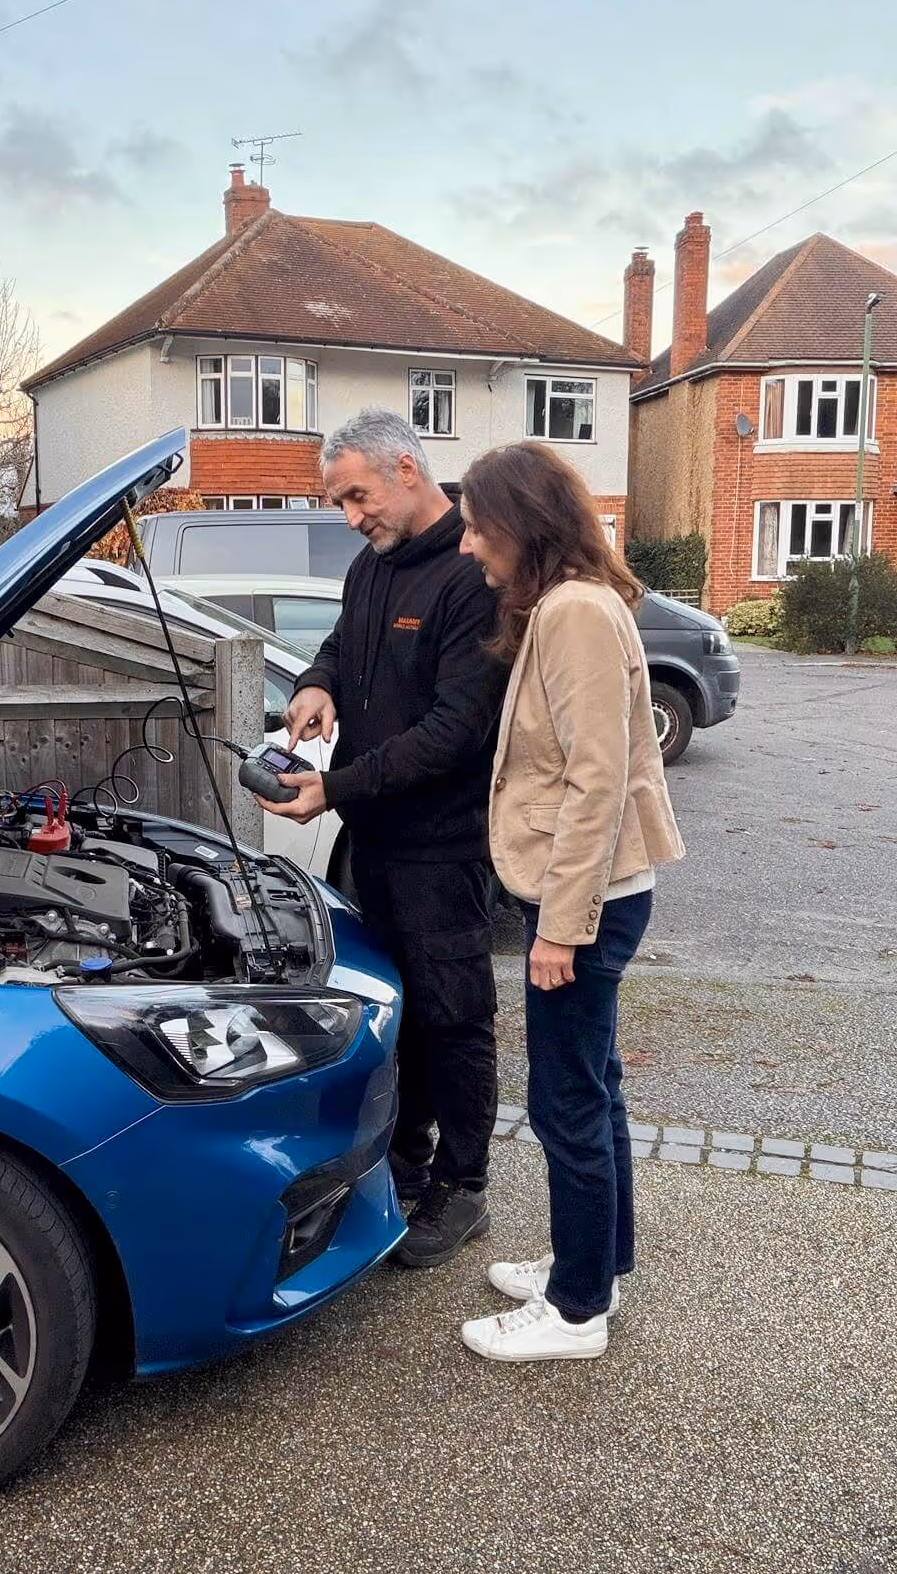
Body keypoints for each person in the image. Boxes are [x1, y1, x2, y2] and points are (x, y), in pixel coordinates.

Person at [254, 407, 508, 1268]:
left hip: (444, 847)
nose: (350, 516)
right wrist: (316, 683)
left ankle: (464, 1187)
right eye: (339, 502)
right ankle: (405, 1155)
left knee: (455, 1018)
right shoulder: (372, 565)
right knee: (393, 1010)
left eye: (357, 496)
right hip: (375, 842)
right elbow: (339, 644)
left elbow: (455, 732)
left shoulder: (472, 573)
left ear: (407, 468)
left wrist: (333, 788)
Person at [455, 441, 684, 1362]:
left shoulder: (576, 612)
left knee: (565, 1102)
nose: (468, 544)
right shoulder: (571, 602)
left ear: (522, 523)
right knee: (593, 1085)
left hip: (583, 900)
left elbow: (598, 781)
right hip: (592, 893)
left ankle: (576, 1310)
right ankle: (598, 1264)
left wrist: (559, 927)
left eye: (477, 526)